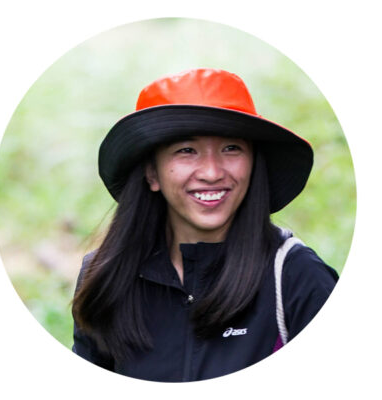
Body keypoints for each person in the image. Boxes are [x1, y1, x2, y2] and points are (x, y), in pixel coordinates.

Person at [71, 68, 338, 382]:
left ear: (254, 164)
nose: (211, 172)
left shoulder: (296, 276)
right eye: (186, 151)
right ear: (152, 173)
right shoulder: (108, 277)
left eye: (231, 148)